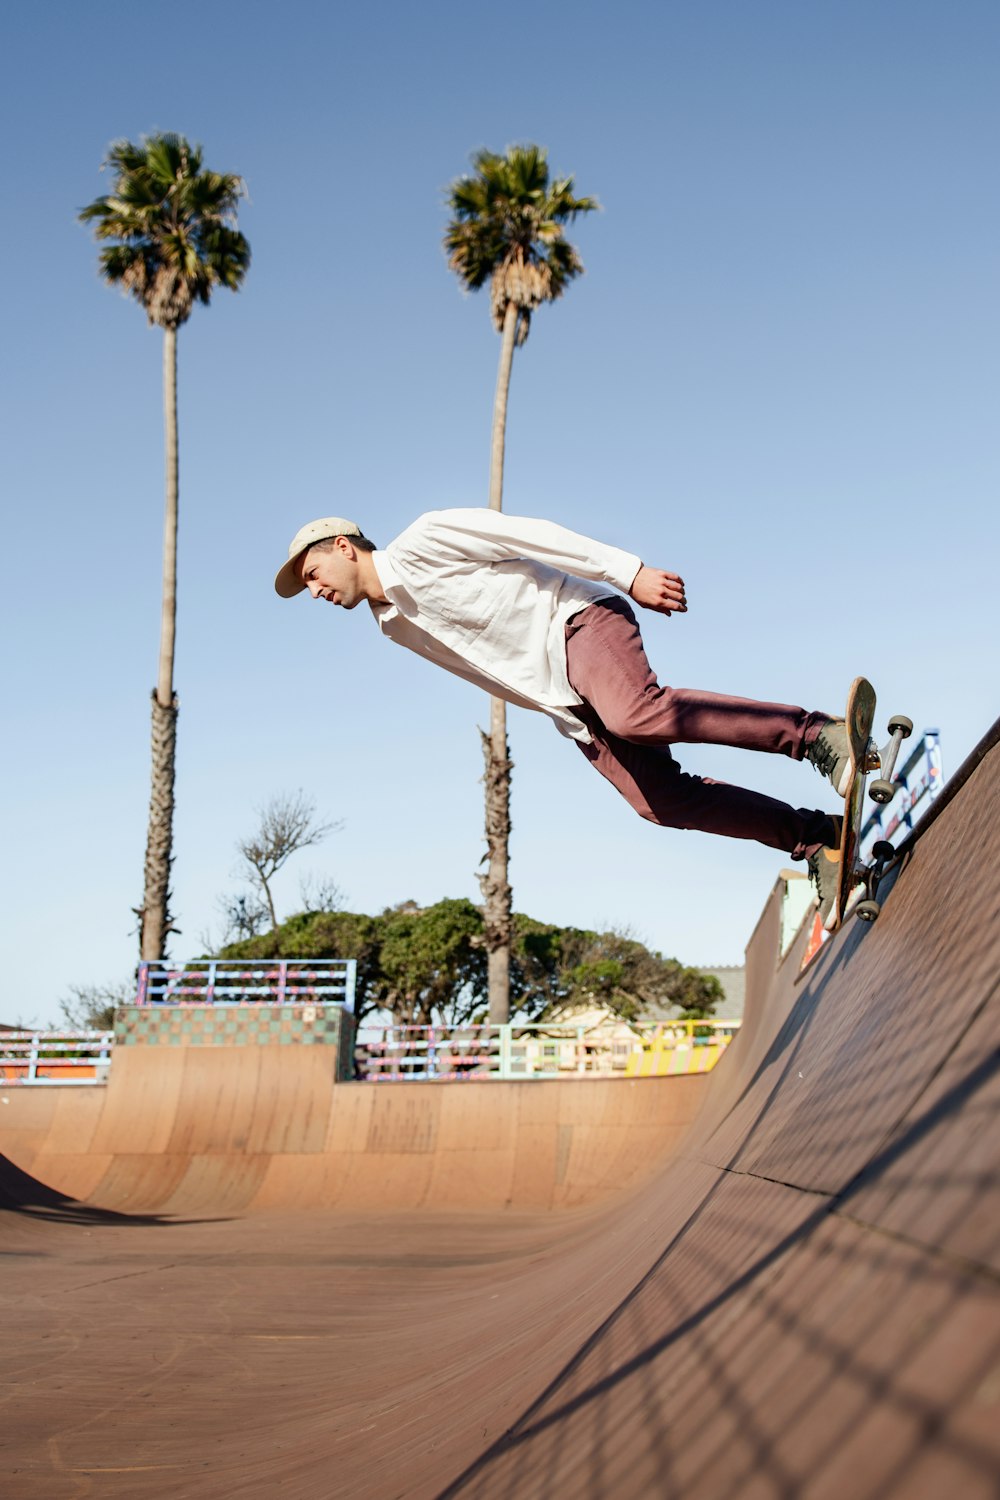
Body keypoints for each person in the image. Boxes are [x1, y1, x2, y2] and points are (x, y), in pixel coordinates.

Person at [274, 508, 850, 919]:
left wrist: (628, 572)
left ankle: (818, 737)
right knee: (660, 802)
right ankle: (818, 840)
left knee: (637, 714)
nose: (317, 592)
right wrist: (566, 714)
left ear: (344, 548)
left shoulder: (427, 537)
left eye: (314, 576)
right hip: (565, 694)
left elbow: (532, 536)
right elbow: (491, 667)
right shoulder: (392, 624)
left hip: (576, 620)